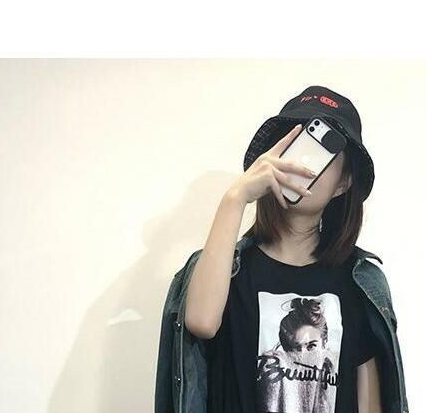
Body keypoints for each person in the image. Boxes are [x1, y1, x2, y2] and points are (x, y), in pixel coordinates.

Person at [154, 86, 409, 413]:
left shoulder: (359, 282)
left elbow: (370, 404)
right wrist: (235, 198)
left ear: (343, 183)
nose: (303, 163)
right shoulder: (227, 269)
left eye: (323, 152)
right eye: (296, 144)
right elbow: (201, 322)